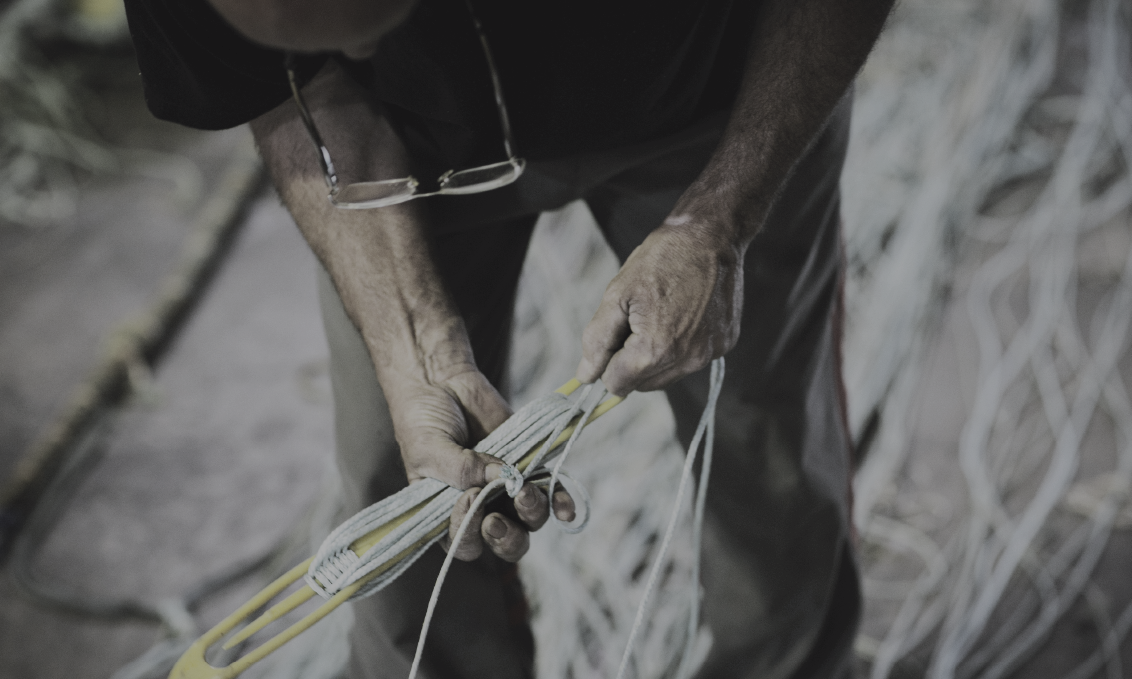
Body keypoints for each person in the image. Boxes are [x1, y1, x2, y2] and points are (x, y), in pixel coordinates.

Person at [123, 0, 892, 677]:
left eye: (367, 26)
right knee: (407, 478)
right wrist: (413, 349)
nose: (355, 54)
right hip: (404, 139)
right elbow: (298, 91)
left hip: (710, 94)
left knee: (762, 436)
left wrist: (718, 222)